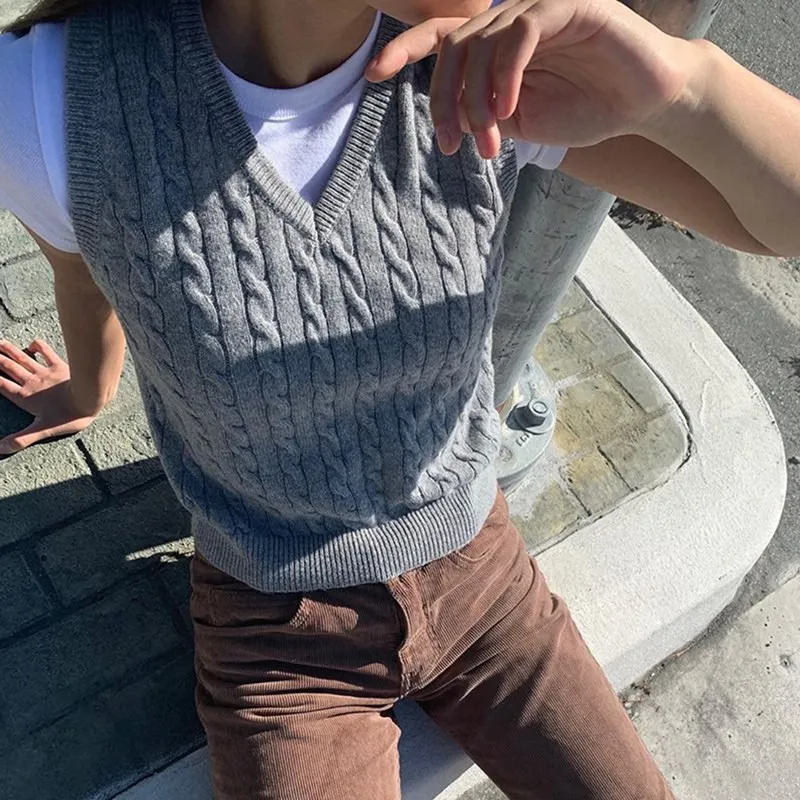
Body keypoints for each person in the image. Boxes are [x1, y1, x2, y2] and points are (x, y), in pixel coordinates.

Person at [1, 0, 798, 797]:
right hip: (281, 629)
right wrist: (86, 391)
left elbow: (777, 227)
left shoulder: (489, 58)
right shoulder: (45, 95)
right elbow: (86, 273)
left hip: (483, 574)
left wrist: (685, 86)